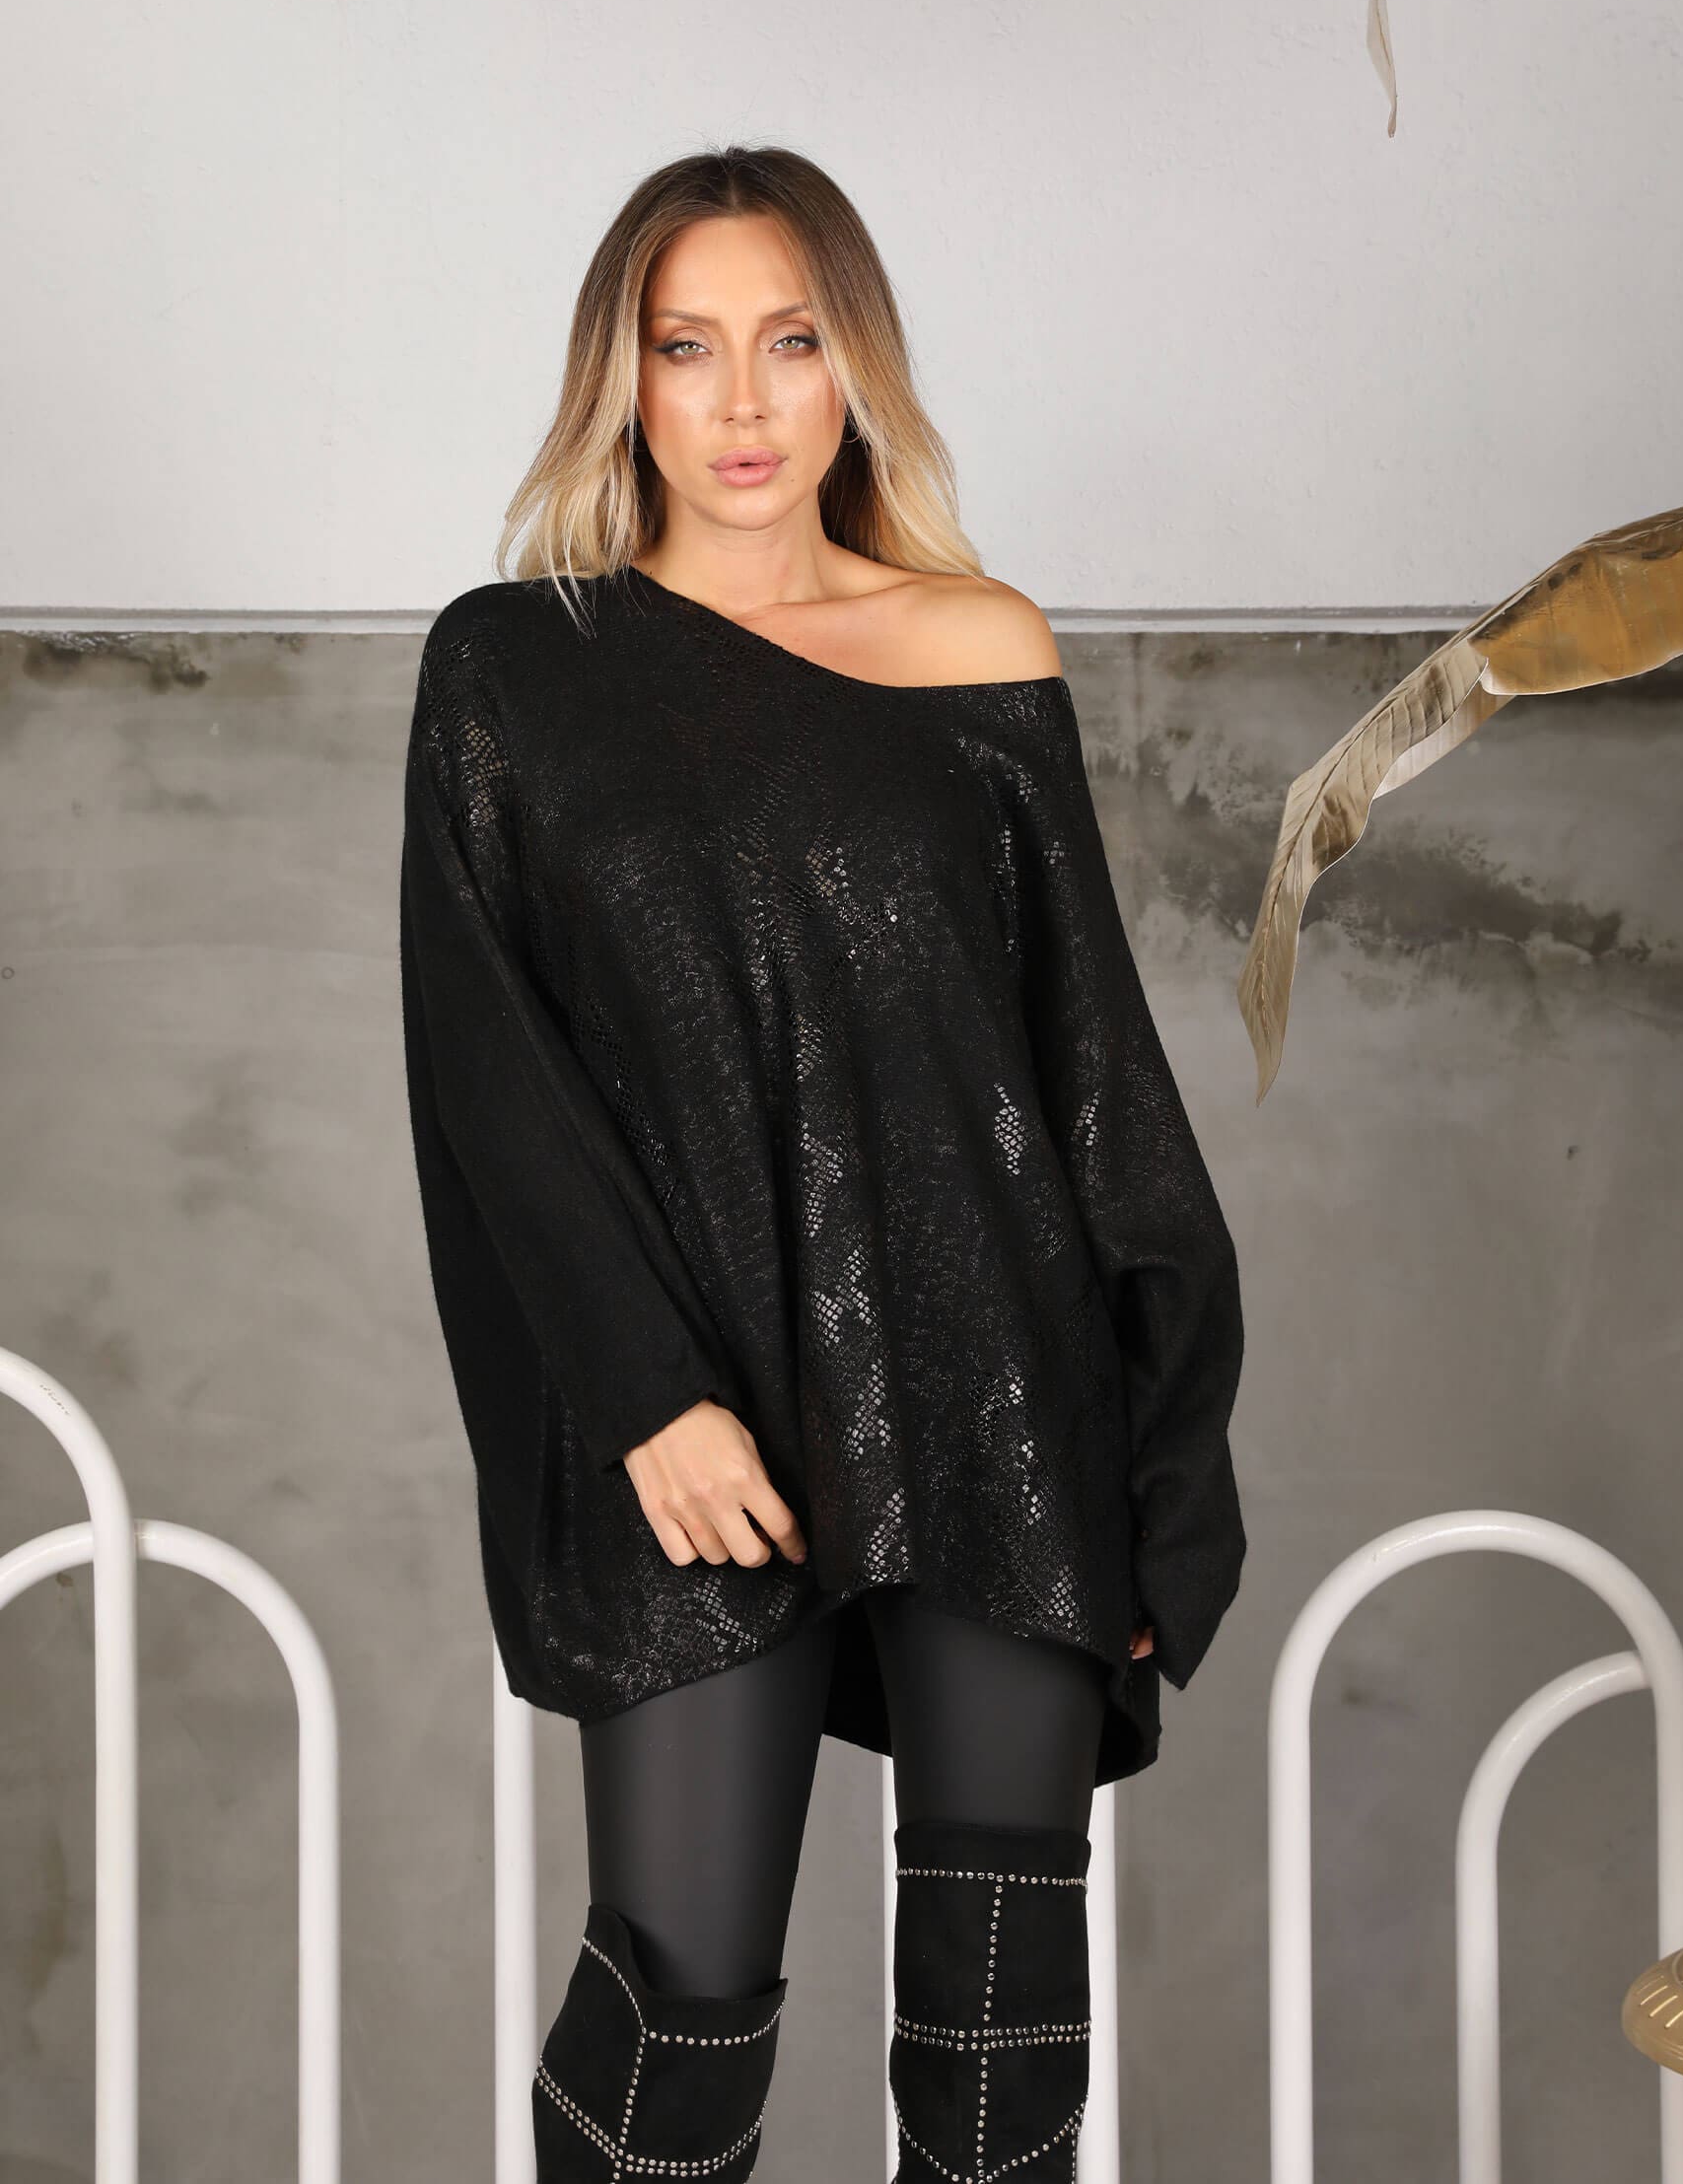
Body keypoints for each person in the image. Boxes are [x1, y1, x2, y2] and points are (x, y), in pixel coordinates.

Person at [398, 143, 1246, 2183]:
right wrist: (646, 1397)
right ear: (621, 376)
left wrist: (1155, 1483)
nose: (743, 402)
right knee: (669, 2041)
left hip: (994, 1401)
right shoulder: (515, 663)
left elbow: (1092, 1081)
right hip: (697, 1425)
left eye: (790, 342)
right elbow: (491, 1074)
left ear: (854, 363)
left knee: (996, 2064)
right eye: (685, 346)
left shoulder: (978, 643)